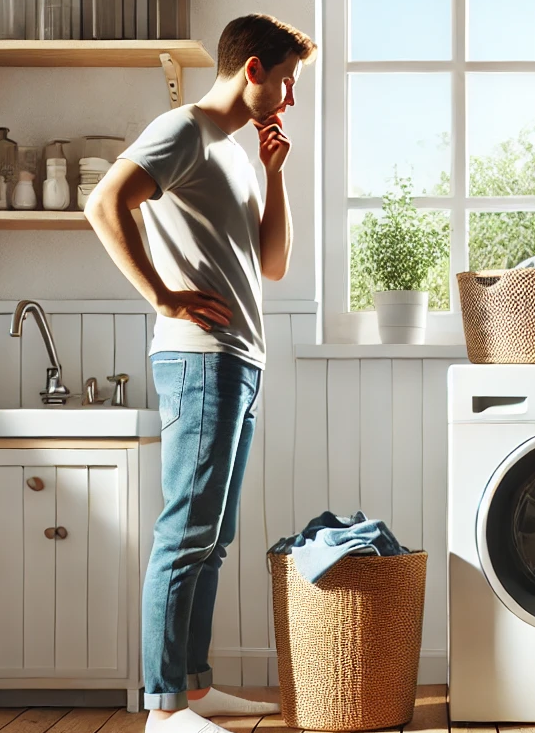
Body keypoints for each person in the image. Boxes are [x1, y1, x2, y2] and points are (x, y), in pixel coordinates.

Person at [85, 13, 316, 733]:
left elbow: (270, 264)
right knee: (185, 533)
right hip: (199, 357)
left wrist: (276, 176)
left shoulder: (238, 155)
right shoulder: (183, 128)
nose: (288, 100)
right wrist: (161, 294)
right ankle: (164, 709)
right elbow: (103, 202)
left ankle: (191, 684)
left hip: (239, 360)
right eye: (285, 83)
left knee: (212, 538)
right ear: (253, 70)